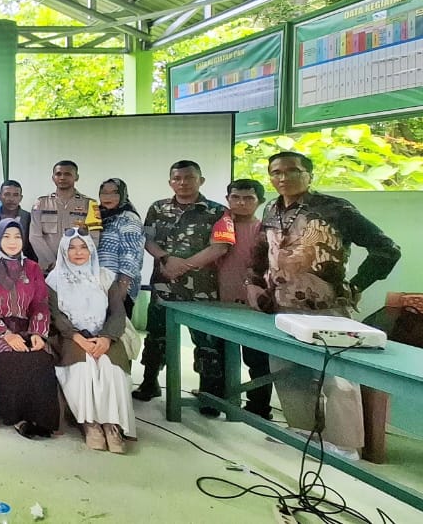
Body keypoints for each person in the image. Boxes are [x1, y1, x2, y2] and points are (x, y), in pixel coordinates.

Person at [247, 152, 400, 458]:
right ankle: (303, 430)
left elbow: (386, 249)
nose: (283, 178)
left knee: (339, 377)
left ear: (309, 174)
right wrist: (254, 282)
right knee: (287, 371)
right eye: (276, 172)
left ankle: (345, 444)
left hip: (327, 307)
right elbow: (262, 250)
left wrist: (357, 285)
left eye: (292, 171)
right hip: (282, 306)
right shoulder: (271, 209)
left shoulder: (335, 208)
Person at [132, 160, 234, 412]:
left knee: (206, 342)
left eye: (189, 178)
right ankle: (149, 382)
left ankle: (210, 396)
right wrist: (166, 259)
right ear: (170, 182)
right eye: (177, 179)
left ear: (201, 180)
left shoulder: (219, 211)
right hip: (164, 285)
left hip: (201, 288)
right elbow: (147, 238)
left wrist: (184, 265)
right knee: (156, 338)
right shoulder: (158, 208)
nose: (183, 183)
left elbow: (221, 246)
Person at [46, 231, 135, 453]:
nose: (78, 252)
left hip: (104, 334)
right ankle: (90, 423)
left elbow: (117, 313)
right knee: (83, 366)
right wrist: (76, 337)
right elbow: (55, 315)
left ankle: (112, 424)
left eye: (83, 247)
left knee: (109, 366)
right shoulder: (55, 279)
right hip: (70, 336)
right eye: (72, 248)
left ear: (91, 250)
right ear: (64, 252)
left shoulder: (104, 276)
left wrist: (106, 338)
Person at [0, 218, 58, 439]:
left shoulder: (32, 267)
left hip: (26, 327)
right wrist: (6, 335)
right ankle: (17, 417)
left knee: (41, 357)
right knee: (11, 357)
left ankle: (41, 419)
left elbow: (40, 302)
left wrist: (38, 333)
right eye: (6, 237)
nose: (12, 242)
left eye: (17, 236)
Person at [217, 179, 274, 420]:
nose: (241, 203)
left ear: (259, 201)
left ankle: (259, 407)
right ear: (228, 199)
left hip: (254, 305)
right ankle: (219, 400)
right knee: (218, 355)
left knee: (256, 358)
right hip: (219, 300)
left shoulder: (266, 231)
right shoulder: (219, 227)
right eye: (235, 198)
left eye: (248, 198)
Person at [29, 161, 101, 267]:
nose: (62, 177)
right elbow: (35, 236)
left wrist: (75, 261)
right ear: (53, 177)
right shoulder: (41, 203)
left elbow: (94, 238)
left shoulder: (90, 204)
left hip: (78, 268)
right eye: (58, 174)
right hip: (48, 269)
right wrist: (52, 263)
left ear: (76, 177)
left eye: (67, 174)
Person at [96, 178, 145, 316]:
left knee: (118, 332)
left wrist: (122, 288)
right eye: (104, 193)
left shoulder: (128, 218)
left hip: (119, 286)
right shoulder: (98, 217)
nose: (108, 197)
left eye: (114, 193)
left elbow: (130, 255)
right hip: (99, 286)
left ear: (123, 195)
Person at [0, 180, 37, 261]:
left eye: (15, 195)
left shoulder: (29, 218)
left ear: (20, 198)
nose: (11, 199)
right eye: (7, 194)